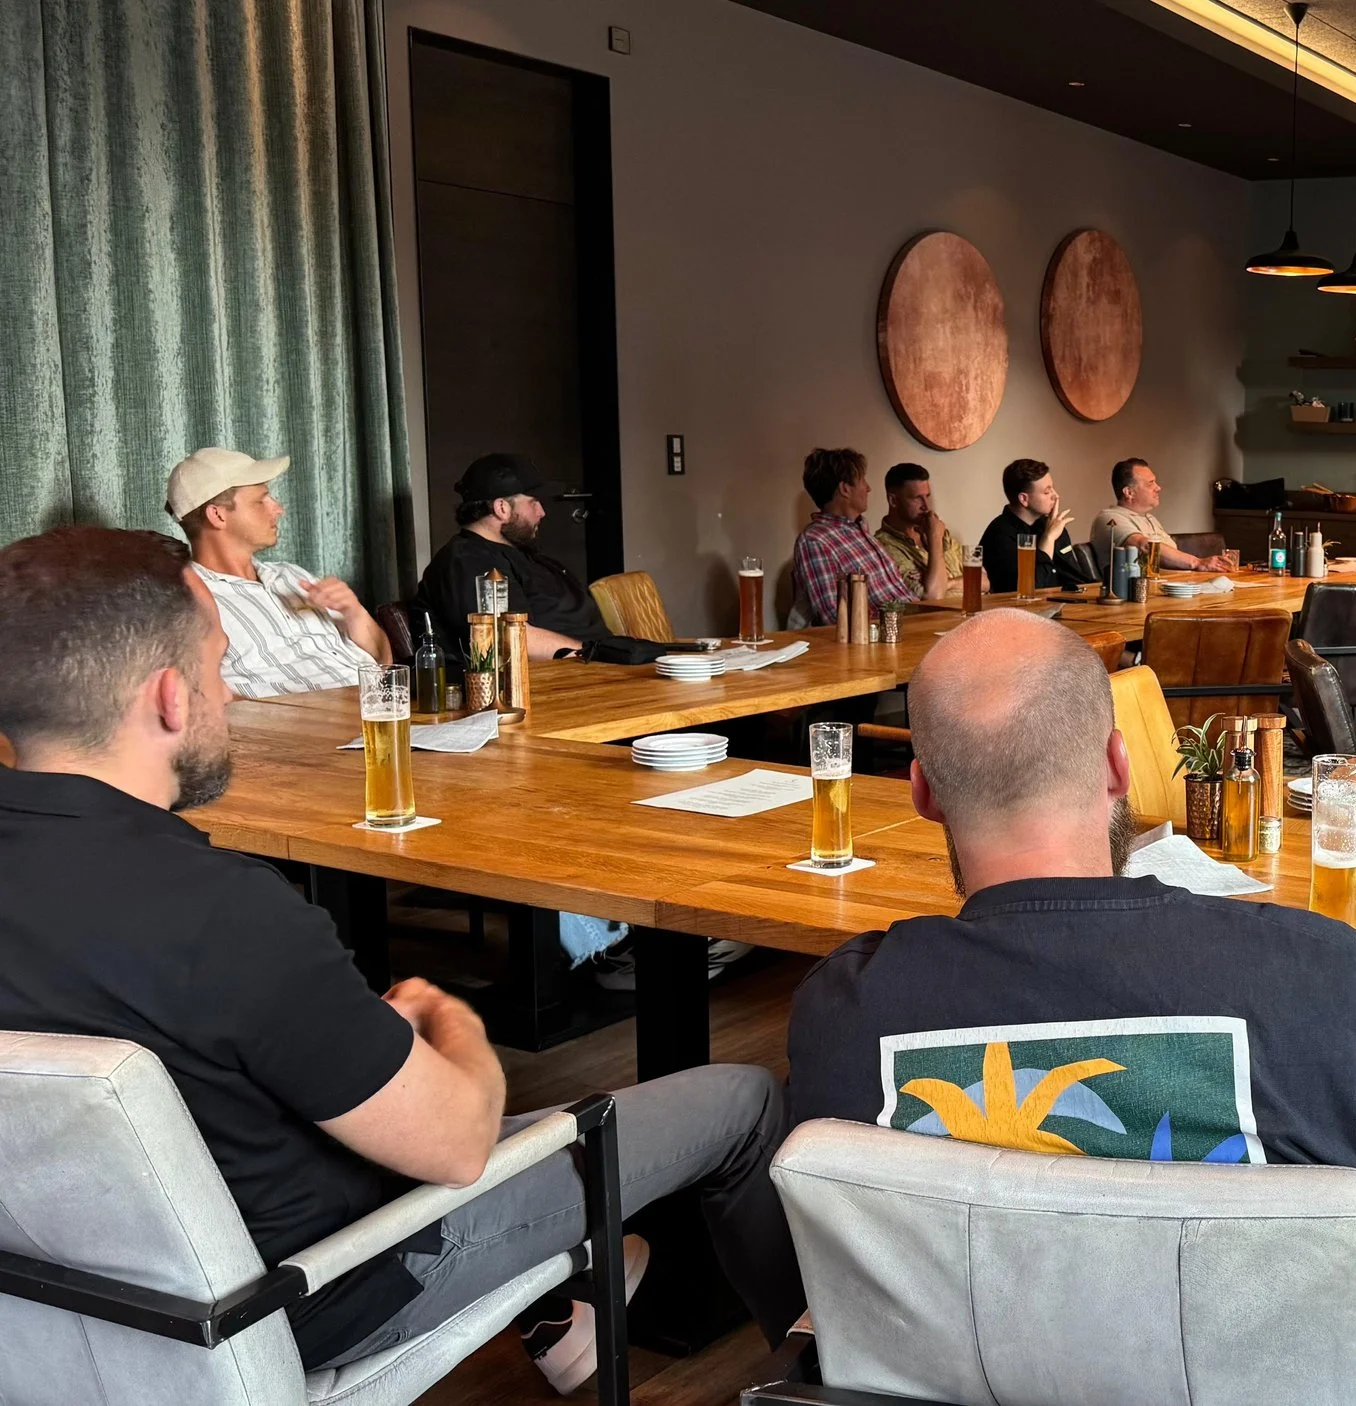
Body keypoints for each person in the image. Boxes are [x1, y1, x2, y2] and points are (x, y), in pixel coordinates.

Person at [0, 526, 805, 1389]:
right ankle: (811, 1369)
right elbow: (457, 1146)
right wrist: (452, 1023)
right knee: (745, 1098)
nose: (227, 693)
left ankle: (568, 1322)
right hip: (324, 1287)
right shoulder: (225, 913)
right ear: (168, 697)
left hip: (68, 1307)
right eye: (217, 666)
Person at [783, 610, 1356, 1365]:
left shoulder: (839, 1013)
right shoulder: (1337, 983)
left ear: (923, 792)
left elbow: (823, 1275)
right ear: (1119, 766)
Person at [168, 446, 391, 697]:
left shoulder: (293, 576)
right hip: (315, 728)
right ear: (217, 515)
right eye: (260, 500)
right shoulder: (190, 604)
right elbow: (204, 703)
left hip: (383, 713)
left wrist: (355, 613)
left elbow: (384, 665)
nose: (278, 508)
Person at [417, 453, 620, 658]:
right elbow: (510, 639)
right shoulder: (467, 562)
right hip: (576, 672)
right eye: (534, 502)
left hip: (604, 661)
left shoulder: (520, 552)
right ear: (502, 508)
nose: (542, 512)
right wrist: (592, 655)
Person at [794, 447, 939, 624]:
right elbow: (835, 618)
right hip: (890, 636)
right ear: (845, 489)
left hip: (915, 623)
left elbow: (903, 596)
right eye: (862, 480)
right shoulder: (815, 540)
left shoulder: (862, 532)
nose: (868, 488)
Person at [976, 458, 1095, 594]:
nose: (1056, 496)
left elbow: (1075, 579)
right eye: (1047, 492)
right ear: (1024, 499)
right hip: (1021, 611)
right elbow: (1032, 590)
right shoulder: (1000, 535)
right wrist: (1048, 539)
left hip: (1065, 607)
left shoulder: (1051, 525)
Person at [1090, 457, 1232, 571]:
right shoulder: (1110, 518)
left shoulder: (1150, 519)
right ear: (1129, 492)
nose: (1158, 487)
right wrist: (1198, 562)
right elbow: (1145, 547)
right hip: (1134, 598)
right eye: (1150, 483)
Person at [872, 462, 963, 597]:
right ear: (893, 501)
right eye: (917, 498)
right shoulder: (882, 546)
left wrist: (949, 583)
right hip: (939, 617)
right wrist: (935, 539)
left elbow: (985, 582)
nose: (926, 506)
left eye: (927, 496)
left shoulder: (935, 530)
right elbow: (933, 596)